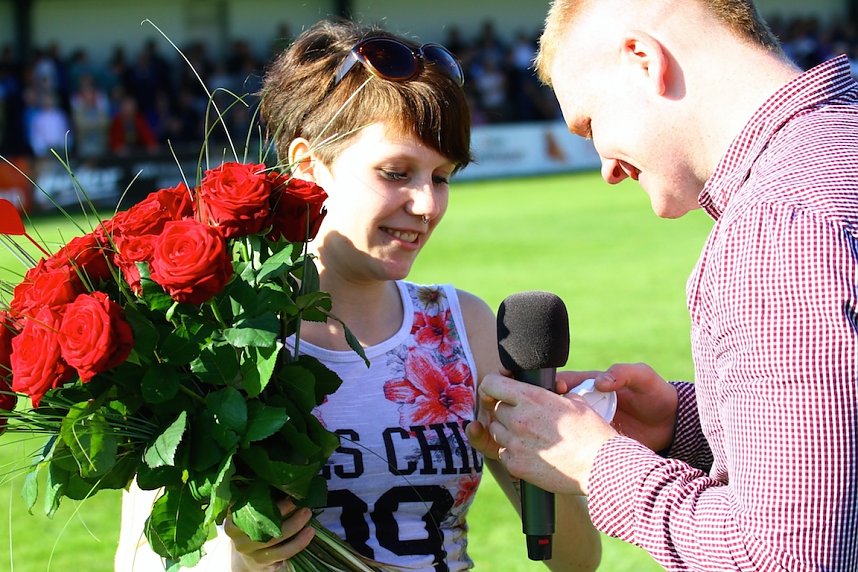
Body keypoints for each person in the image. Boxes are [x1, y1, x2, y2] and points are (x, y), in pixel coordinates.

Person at [114, 19, 600, 572]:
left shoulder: (464, 324)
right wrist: (248, 559)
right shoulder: (219, 337)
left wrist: (552, 456)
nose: (427, 205)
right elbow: (141, 560)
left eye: (442, 177)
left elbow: (576, 561)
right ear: (308, 164)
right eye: (396, 172)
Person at [468, 0, 858, 570]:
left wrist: (596, 462)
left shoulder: (779, 225)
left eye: (590, 125)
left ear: (643, 59)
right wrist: (684, 422)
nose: (606, 168)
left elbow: (786, 557)